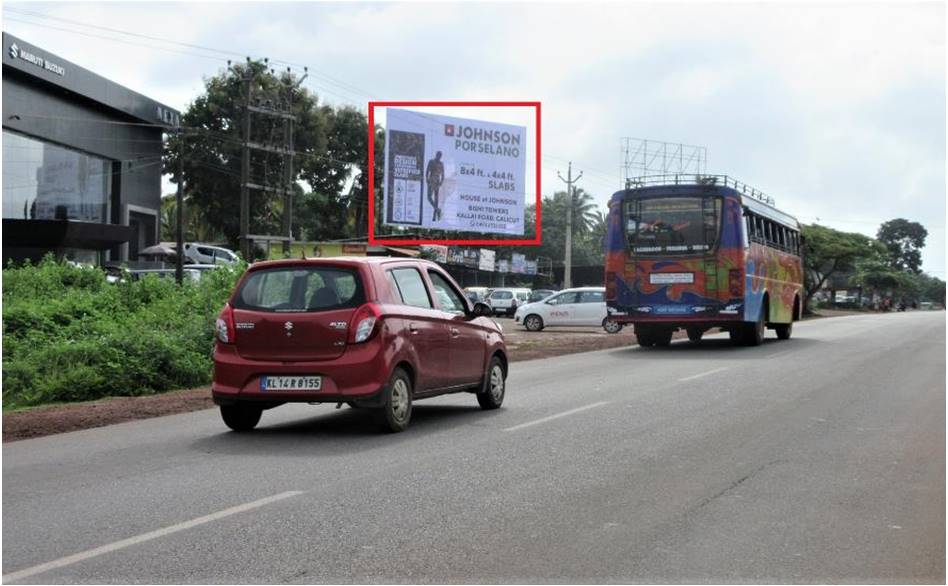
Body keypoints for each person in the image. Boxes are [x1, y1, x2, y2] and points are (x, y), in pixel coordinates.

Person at [426, 151, 445, 222]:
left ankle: (434, 216)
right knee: (429, 197)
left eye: (440, 156)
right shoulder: (431, 161)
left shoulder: (441, 164)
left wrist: (441, 183)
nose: (439, 157)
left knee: (436, 199)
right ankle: (437, 210)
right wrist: (427, 179)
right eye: (438, 155)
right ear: (436, 155)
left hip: (437, 181)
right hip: (431, 180)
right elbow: (427, 171)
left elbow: (443, 175)